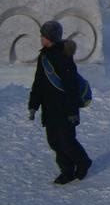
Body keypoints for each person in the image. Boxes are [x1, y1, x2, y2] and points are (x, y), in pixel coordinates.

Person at [28, 20, 92, 185]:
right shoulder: (44, 56)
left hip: (64, 109)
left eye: (43, 35)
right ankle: (67, 170)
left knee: (67, 141)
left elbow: (71, 88)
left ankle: (83, 162)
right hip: (50, 108)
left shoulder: (64, 57)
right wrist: (33, 105)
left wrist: (72, 112)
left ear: (49, 37)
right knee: (54, 141)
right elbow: (39, 82)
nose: (40, 38)